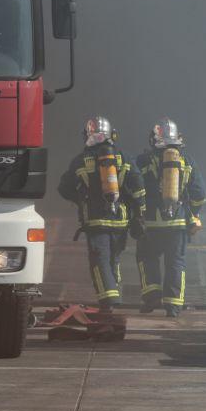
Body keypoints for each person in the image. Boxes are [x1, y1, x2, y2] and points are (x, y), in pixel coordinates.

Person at [58, 116, 145, 312]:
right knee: (114, 259)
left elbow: (63, 188)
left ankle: (109, 300)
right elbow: (139, 187)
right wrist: (139, 213)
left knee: (100, 261)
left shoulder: (80, 160)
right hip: (121, 220)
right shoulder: (124, 157)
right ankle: (114, 294)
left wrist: (81, 198)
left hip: (95, 220)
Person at [135, 118, 206, 318]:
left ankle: (151, 298)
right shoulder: (187, 160)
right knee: (175, 263)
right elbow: (200, 193)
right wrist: (193, 213)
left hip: (150, 224)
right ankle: (173, 307)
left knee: (146, 258)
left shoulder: (143, 161)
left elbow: (133, 187)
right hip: (178, 224)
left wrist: (137, 212)